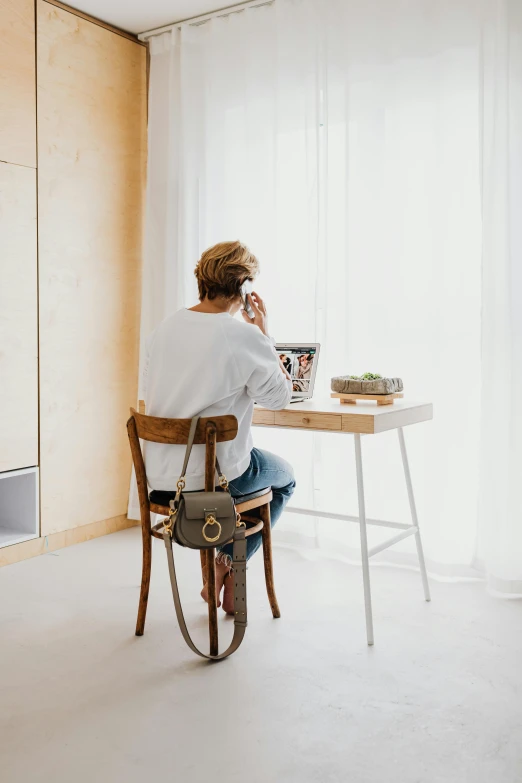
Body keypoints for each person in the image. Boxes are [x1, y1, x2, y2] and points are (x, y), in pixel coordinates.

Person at [142, 241, 295, 614]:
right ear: (243, 288)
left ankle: (221, 566)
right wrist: (263, 332)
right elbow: (279, 397)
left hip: (163, 478)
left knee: (248, 466)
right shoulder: (241, 335)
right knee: (284, 479)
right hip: (215, 479)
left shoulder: (165, 329)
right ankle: (226, 562)